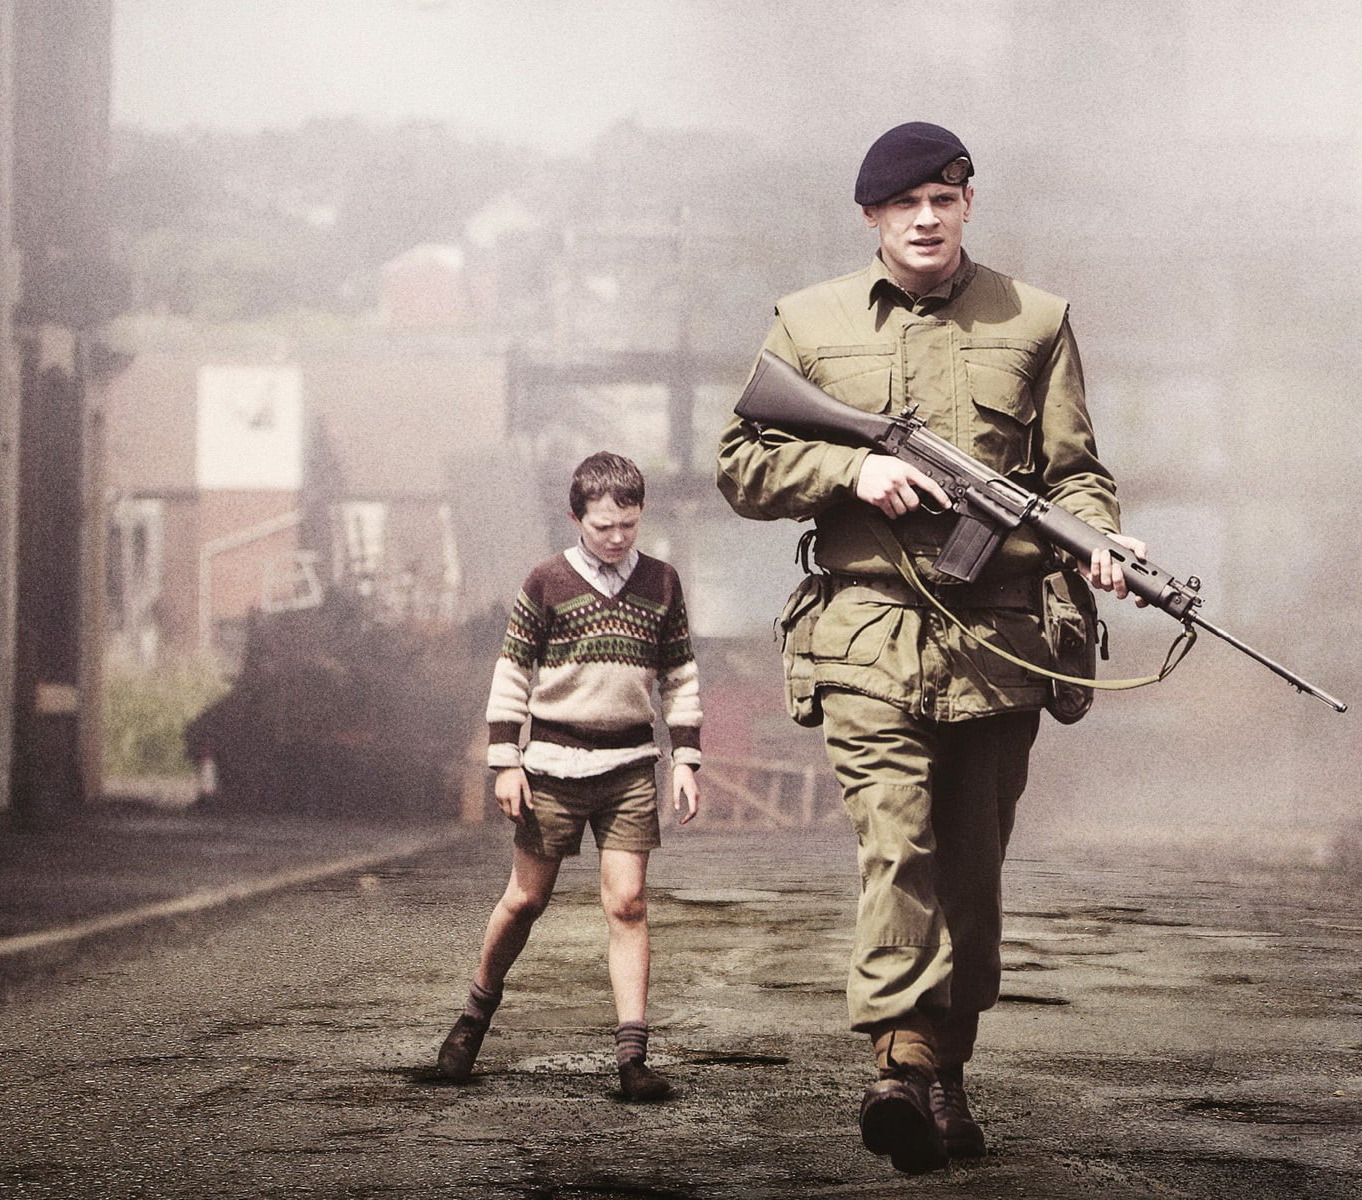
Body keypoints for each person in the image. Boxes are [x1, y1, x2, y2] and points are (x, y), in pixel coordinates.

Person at [715, 122, 1144, 1172]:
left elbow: (1075, 467)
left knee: (973, 877)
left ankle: (942, 1076)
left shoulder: (1034, 319)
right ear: (871, 216)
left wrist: (1098, 538)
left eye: (943, 201)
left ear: (965, 207)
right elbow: (740, 463)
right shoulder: (808, 324)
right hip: (863, 633)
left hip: (999, 640)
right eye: (904, 204)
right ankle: (901, 1066)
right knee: (895, 846)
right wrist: (844, 474)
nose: (924, 218)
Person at [437, 451, 702, 1102]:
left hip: (631, 765)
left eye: (629, 525)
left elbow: (681, 676)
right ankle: (475, 1013)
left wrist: (688, 758)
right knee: (525, 901)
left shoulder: (662, 583)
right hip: (552, 764)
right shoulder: (546, 581)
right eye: (603, 526)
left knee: (628, 903)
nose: (616, 539)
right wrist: (504, 761)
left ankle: (632, 1057)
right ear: (575, 517)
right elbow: (513, 672)